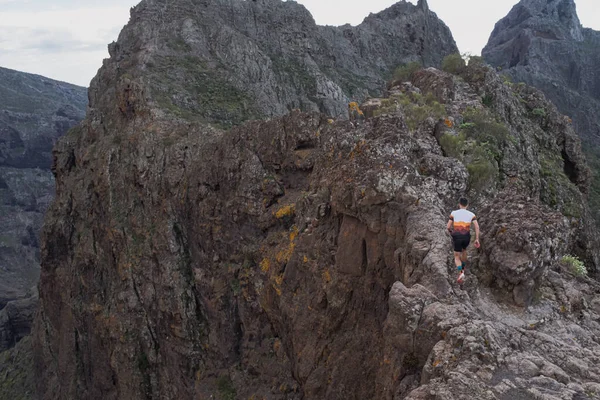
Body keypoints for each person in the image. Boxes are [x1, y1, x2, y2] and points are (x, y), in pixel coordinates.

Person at [446, 198, 480, 283]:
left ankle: (460, 272)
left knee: (457, 256)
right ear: (467, 205)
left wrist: (451, 232)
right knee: (464, 250)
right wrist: (477, 239)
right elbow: (476, 226)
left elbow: (448, 227)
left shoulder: (454, 213)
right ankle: (463, 267)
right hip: (466, 236)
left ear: (459, 204)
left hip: (456, 236)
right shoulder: (472, 214)